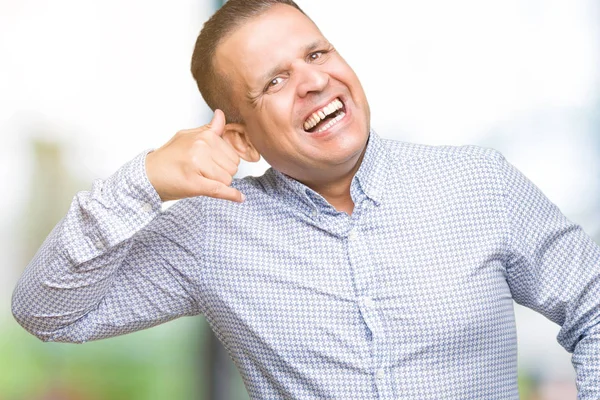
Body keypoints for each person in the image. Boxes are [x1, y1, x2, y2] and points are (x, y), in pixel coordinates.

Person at [11, 0, 600, 398]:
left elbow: (592, 301)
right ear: (239, 136)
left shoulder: (478, 183)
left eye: (316, 55)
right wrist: (141, 181)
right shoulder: (208, 232)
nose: (314, 81)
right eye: (274, 81)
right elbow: (46, 312)